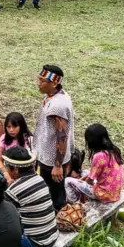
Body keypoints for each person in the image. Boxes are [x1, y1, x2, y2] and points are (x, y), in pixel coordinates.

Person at [1, 147, 58, 247]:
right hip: (52, 237)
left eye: (7, 166)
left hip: (36, 245)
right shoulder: (39, 179)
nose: (6, 169)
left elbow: (2, 218)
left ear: (16, 169)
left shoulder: (13, 190)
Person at [34, 64, 75, 210]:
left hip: (52, 160)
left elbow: (62, 136)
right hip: (48, 156)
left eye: (42, 80)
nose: (38, 83)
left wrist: (57, 165)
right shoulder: (57, 96)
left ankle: (60, 215)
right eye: (39, 79)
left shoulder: (58, 105)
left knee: (55, 194)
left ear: (54, 83)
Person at [64, 123, 124, 204]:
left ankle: (75, 204)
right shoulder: (114, 151)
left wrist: (82, 190)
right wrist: (81, 180)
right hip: (115, 193)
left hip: (103, 195)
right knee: (86, 172)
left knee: (67, 181)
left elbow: (90, 180)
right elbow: (93, 173)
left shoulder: (98, 156)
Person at [0, 112, 34, 179]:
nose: (11, 130)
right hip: (7, 169)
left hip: (23, 171)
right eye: (8, 127)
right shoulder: (4, 138)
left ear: (21, 126)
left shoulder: (29, 139)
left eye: (15, 126)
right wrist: (6, 174)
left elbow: (32, 162)